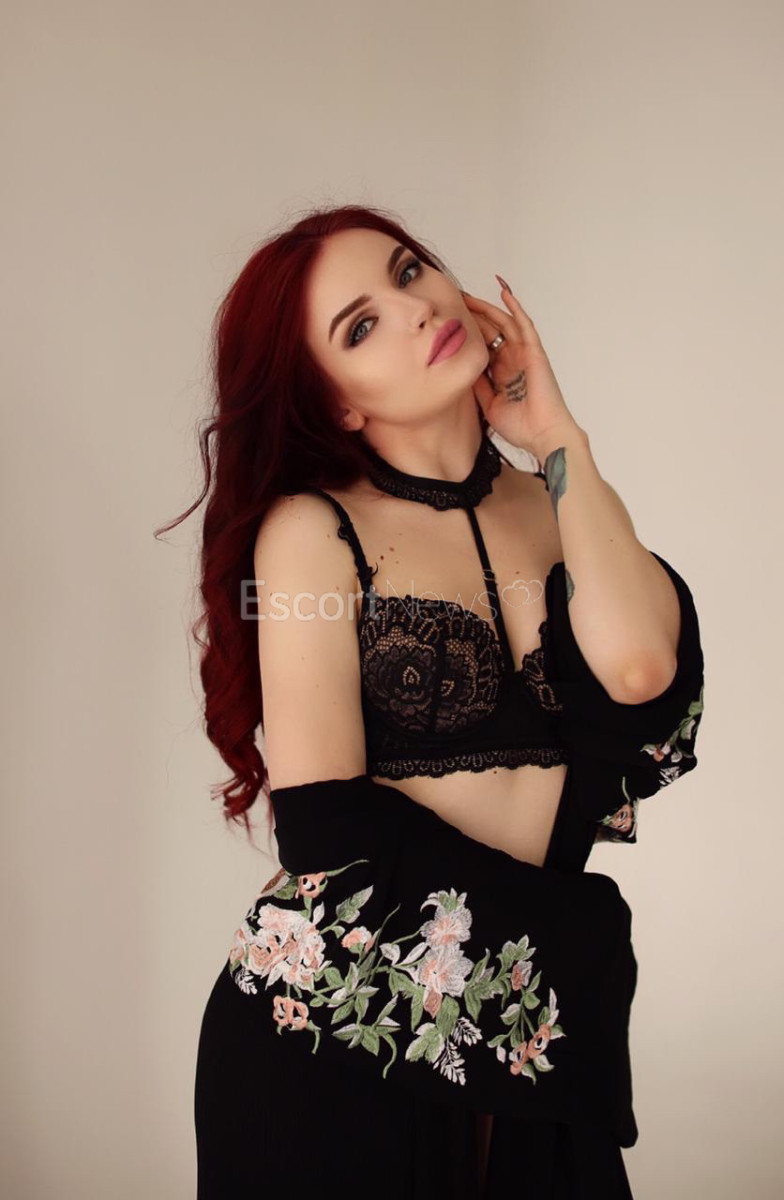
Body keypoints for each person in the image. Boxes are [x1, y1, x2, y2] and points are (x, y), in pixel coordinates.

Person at [163, 205, 705, 1197]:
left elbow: (638, 676)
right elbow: (325, 831)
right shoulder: (312, 532)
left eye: (410, 271)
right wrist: (565, 942)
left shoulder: (565, 504)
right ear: (337, 404)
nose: (416, 309)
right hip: (340, 1035)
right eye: (361, 326)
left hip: (532, 1044)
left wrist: (559, 438)